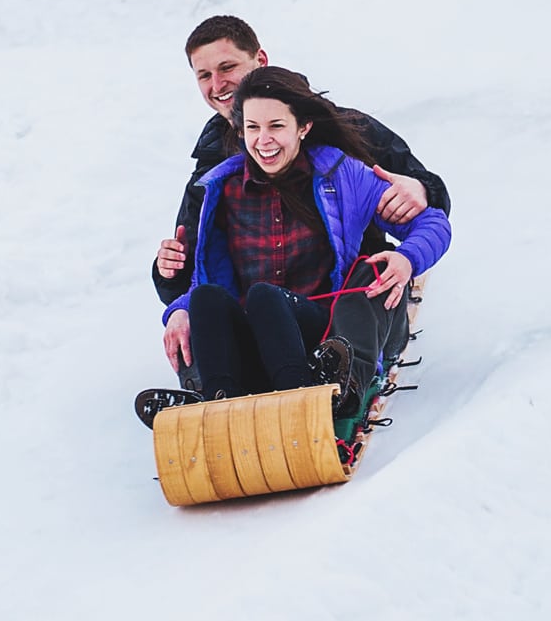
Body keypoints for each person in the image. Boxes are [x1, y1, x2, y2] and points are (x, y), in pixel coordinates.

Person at [140, 66, 451, 431]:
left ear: (302, 127)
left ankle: (310, 395)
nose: (264, 140)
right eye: (253, 128)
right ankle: (217, 404)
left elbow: (433, 224)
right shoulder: (221, 189)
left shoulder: (342, 176)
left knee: (267, 297)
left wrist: (407, 257)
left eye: (276, 126)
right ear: (240, 132)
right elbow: (208, 275)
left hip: (326, 337)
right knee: (208, 298)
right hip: (261, 337)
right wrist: (179, 307)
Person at [152, 15, 450, 325]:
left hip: (347, 305)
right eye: (204, 75)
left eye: (227, 68)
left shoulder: (336, 128)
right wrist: (169, 271)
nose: (217, 84)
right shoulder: (212, 162)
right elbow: (195, 267)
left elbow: (431, 206)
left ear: (260, 60)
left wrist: (423, 188)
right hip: (258, 317)